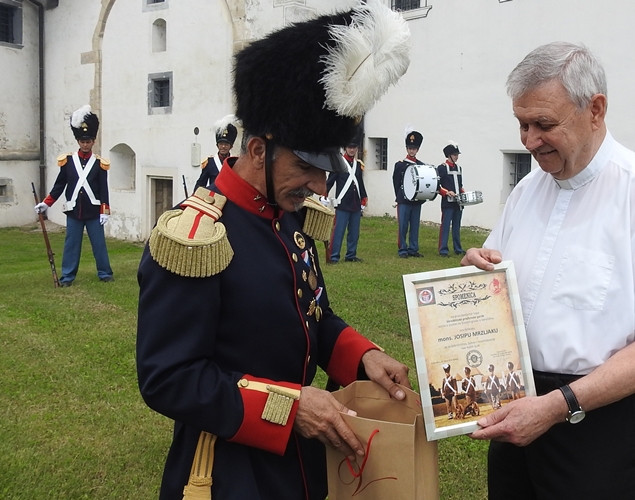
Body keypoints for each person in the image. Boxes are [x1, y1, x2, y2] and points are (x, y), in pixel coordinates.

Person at [135, 3, 412, 499]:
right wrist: (289, 406)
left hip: (301, 463)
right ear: (259, 150)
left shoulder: (290, 220)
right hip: (228, 470)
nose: (318, 184)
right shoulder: (195, 235)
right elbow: (170, 377)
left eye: (326, 171)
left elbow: (314, 316)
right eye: (307, 167)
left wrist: (362, 355)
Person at [462, 42, 635, 499]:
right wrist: (475, 272)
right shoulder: (528, 191)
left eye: (544, 125)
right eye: (522, 124)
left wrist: (556, 406)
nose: (529, 141)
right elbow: (494, 282)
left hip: (603, 422)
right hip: (519, 404)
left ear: (596, 109)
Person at [34, 105, 113, 286]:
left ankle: (105, 273)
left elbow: (103, 189)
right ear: (78, 141)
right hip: (74, 211)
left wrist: (104, 211)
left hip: (94, 211)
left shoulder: (99, 164)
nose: (85, 144)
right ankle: (68, 277)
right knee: (71, 246)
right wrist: (47, 203)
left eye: (88, 141)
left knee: (99, 245)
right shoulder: (68, 162)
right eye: (82, 141)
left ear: (93, 141)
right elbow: (59, 185)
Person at [324, 138, 368, 263]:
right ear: (345, 148)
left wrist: (364, 197)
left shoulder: (358, 165)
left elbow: (360, 183)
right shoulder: (339, 163)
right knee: (339, 232)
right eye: (349, 147)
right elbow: (330, 181)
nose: (352, 149)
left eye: (354, 147)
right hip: (343, 203)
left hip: (355, 203)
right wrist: (324, 193)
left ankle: (351, 255)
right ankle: (334, 256)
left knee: (354, 233)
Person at [392, 130, 426, 258]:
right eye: (410, 148)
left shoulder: (421, 165)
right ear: (407, 149)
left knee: (415, 225)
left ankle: (413, 248)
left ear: (417, 150)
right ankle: (402, 249)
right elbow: (396, 182)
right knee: (403, 225)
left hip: (416, 200)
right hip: (404, 200)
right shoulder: (400, 165)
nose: (412, 151)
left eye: (415, 148)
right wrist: (400, 196)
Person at [193, 115, 238, 192]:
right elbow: (200, 184)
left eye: (226, 144)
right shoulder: (210, 162)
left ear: (231, 146)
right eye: (221, 144)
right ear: (217, 145)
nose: (223, 147)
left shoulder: (235, 163)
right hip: (214, 199)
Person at [437, 141, 465, 257]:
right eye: (454, 155)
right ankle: (443, 249)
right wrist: (446, 192)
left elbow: (460, 184)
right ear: (449, 155)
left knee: (457, 226)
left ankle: (458, 248)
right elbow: (437, 186)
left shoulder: (459, 168)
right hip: (447, 202)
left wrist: (463, 192)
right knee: (445, 225)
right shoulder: (442, 168)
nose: (456, 157)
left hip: (458, 202)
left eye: (457, 154)